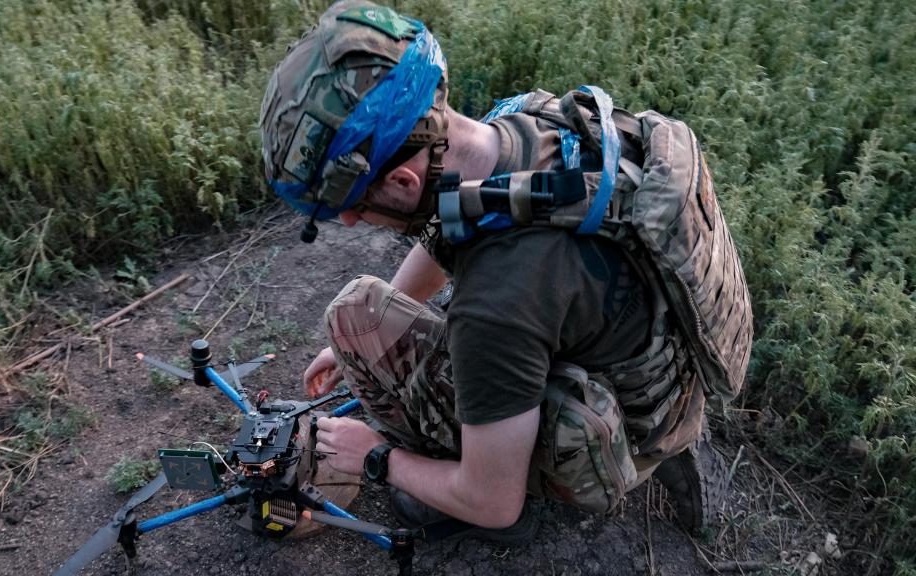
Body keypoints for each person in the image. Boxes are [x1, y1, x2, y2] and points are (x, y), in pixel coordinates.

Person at [259, 0, 750, 541]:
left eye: (352, 205)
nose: (349, 221)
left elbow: (492, 501)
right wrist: (380, 330)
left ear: (402, 182)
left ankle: (494, 491)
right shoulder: (534, 121)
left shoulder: (496, 307)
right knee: (369, 319)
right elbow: (456, 220)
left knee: (356, 309)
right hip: (666, 381)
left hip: (613, 439)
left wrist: (374, 455)